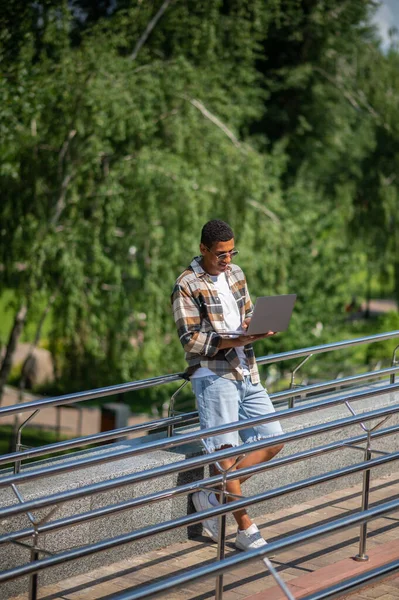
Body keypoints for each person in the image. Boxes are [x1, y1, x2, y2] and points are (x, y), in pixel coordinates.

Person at [171, 219, 284, 551]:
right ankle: (245, 527)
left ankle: (210, 495)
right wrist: (233, 338)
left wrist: (255, 327)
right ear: (204, 249)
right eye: (221, 254)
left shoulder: (236, 274)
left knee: (274, 438)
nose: (228, 260)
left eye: (232, 252)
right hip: (213, 376)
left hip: (247, 369)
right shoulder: (186, 284)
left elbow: (246, 311)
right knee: (227, 456)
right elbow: (190, 341)